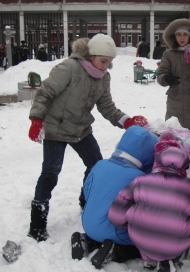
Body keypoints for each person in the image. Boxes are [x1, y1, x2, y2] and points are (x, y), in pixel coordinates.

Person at [27, 33, 148, 242]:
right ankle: (37, 225)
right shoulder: (69, 68)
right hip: (56, 128)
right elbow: (44, 92)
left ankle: (87, 203)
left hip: (82, 130)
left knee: (96, 166)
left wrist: (126, 121)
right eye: (103, 61)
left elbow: (107, 107)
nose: (105, 66)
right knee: (50, 172)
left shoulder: (104, 78)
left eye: (109, 62)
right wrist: (37, 119)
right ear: (91, 55)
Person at [108, 132, 190, 272]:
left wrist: (128, 222)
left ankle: (147, 258)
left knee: (143, 222)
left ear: (157, 161)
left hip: (139, 239)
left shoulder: (141, 181)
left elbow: (116, 214)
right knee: (178, 229)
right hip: (174, 244)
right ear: (184, 166)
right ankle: (169, 260)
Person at [72, 125, 159, 269]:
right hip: (115, 231)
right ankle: (115, 251)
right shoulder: (140, 178)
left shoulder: (99, 165)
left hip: (87, 223)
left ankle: (86, 240)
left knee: (101, 228)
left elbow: (87, 193)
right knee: (141, 246)